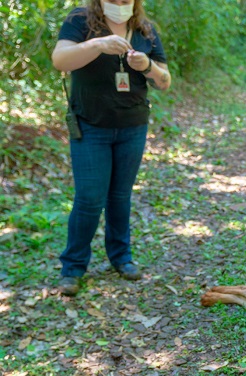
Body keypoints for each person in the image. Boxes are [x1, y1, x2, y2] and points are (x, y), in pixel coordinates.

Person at [52, 0, 171, 296]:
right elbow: (60, 60)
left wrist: (148, 65)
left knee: (120, 195)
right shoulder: (81, 20)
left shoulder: (145, 29)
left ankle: (121, 257)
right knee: (90, 198)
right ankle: (73, 268)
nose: (120, 3)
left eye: (126, 0)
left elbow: (165, 81)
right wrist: (97, 45)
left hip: (133, 125)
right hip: (90, 124)